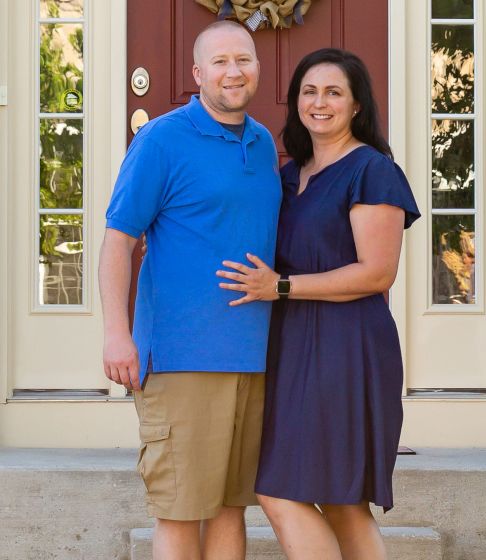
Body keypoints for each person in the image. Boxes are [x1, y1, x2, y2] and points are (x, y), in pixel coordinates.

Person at [216, 48, 421, 559]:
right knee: (334, 498)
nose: (319, 102)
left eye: (333, 92)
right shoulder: (290, 175)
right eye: (309, 91)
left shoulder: (372, 171)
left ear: (357, 105)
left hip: (346, 348)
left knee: (304, 493)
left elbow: (377, 272)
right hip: (292, 347)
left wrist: (281, 287)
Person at [98, 21, 281, 560]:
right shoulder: (161, 139)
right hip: (182, 358)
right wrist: (116, 334)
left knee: (229, 508)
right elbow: (117, 241)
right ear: (197, 73)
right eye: (220, 61)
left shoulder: (262, 142)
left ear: (258, 68)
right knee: (180, 511)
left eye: (243, 60)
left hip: (254, 357)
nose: (233, 71)